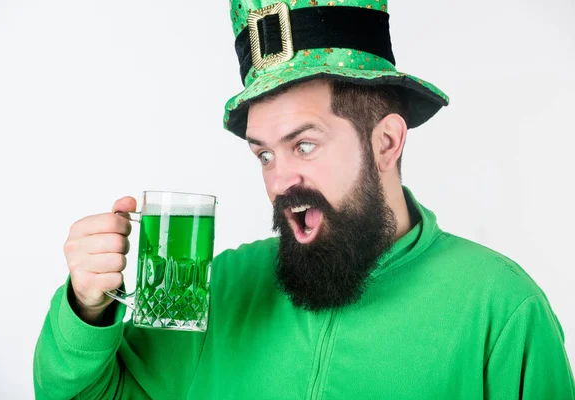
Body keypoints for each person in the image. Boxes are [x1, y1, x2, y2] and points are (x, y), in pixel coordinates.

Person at [34, 0, 575, 398]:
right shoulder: (216, 292)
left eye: (305, 144)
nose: (279, 181)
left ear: (386, 141)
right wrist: (87, 309)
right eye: (264, 154)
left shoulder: (501, 309)